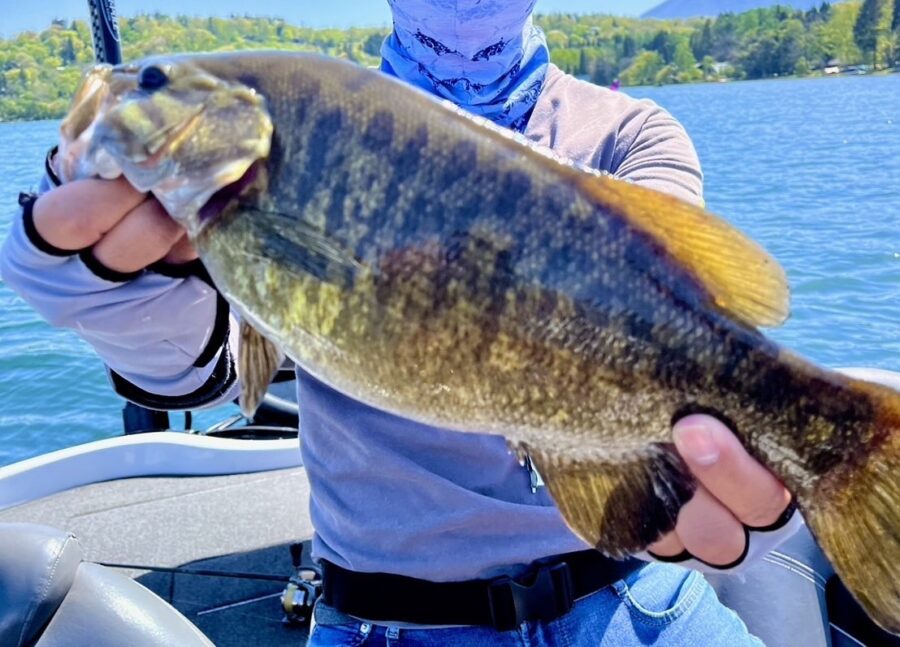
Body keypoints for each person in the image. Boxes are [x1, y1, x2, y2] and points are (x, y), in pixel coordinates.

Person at [0, 1, 803, 644]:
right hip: (388, 623)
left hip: (634, 595)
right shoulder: (303, 131)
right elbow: (200, 368)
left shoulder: (631, 133)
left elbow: (677, 316)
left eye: (148, 86)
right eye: (150, 82)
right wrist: (122, 296)